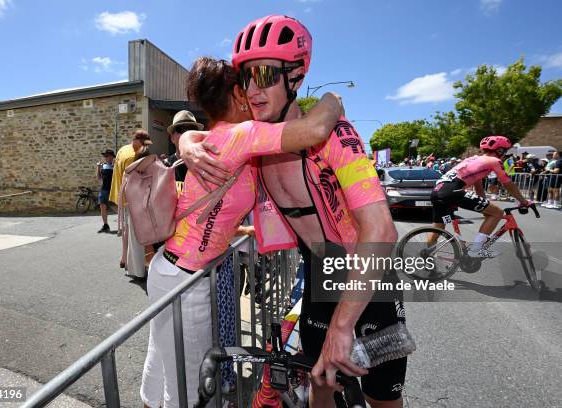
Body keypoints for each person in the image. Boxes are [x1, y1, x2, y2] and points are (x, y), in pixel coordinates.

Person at [180, 15, 402, 408]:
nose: (252, 90)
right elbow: (211, 131)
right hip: (321, 273)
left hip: (369, 281)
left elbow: (381, 231)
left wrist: (343, 326)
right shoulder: (256, 139)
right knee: (320, 388)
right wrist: (186, 142)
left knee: (381, 400)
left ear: (295, 76)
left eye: (264, 74)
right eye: (244, 78)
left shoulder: (336, 134)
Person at [140, 56, 345, 408]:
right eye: (248, 86)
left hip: (168, 268)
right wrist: (334, 99)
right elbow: (315, 130)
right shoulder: (243, 134)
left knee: (160, 360)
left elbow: (214, 211)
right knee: (188, 389)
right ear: (237, 94)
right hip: (185, 279)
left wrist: (185, 139)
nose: (254, 93)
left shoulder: (214, 137)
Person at [428, 136, 531, 257]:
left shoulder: (473, 159)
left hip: (437, 190)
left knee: (438, 228)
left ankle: (427, 257)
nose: (505, 154)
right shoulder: (494, 161)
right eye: (505, 151)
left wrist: (484, 204)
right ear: (499, 151)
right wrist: (523, 201)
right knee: (497, 212)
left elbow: (477, 184)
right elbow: (508, 184)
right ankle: (477, 249)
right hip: (452, 190)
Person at [109, 130, 152, 276]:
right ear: (139, 140)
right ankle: (135, 263)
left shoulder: (123, 149)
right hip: (133, 198)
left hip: (122, 196)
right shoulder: (133, 155)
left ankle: (124, 258)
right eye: (145, 144)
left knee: (127, 229)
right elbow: (138, 179)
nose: (146, 147)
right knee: (136, 232)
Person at [96, 149, 115, 233]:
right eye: (105, 156)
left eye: (107, 156)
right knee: (102, 206)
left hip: (112, 189)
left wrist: (115, 167)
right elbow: (98, 178)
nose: (105, 157)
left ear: (111, 156)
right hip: (103, 189)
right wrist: (98, 167)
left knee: (115, 207)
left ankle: (125, 222)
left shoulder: (115, 165)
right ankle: (105, 225)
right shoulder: (103, 165)